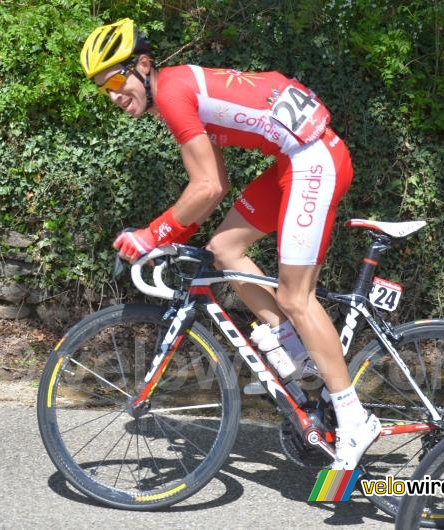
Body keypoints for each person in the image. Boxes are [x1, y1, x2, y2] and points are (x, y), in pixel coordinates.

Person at [80, 18, 380, 470]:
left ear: (143, 65)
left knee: (296, 296)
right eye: (103, 89)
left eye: (116, 81)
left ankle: (354, 418)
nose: (114, 96)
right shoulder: (177, 89)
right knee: (224, 249)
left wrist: (152, 235)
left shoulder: (172, 93)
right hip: (294, 158)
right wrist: (167, 237)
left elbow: (205, 188)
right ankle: (294, 349)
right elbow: (215, 183)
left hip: (313, 158)